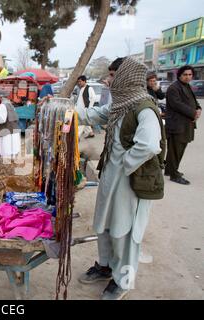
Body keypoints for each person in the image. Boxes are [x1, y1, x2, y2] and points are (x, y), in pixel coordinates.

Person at [77, 57, 165, 300]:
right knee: (104, 226)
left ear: (127, 77)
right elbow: (93, 114)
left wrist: (124, 164)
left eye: (113, 75)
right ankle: (105, 266)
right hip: (111, 178)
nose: (108, 80)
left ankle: (123, 281)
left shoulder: (144, 108)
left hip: (130, 182)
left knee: (125, 233)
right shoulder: (121, 105)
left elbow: (148, 145)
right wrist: (64, 109)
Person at [164, 65, 202, 185]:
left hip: (185, 124)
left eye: (190, 75)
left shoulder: (187, 86)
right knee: (176, 150)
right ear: (179, 75)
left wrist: (199, 108)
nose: (188, 77)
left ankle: (170, 170)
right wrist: (193, 113)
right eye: (185, 75)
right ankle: (174, 175)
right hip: (177, 125)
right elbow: (177, 104)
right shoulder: (173, 88)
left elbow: (194, 102)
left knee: (178, 149)